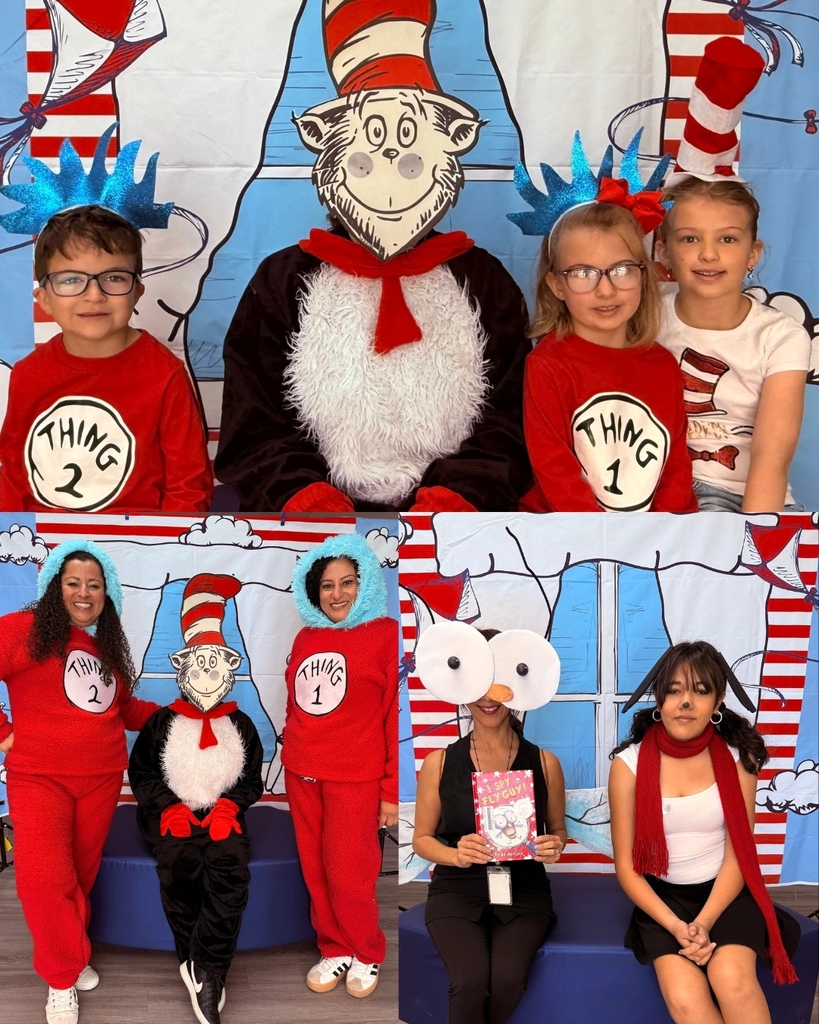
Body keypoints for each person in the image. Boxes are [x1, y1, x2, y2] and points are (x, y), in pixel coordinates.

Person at [0, 540, 161, 1024]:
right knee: (43, 880)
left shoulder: (106, 647)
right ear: (55, 586)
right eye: (73, 582)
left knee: (78, 877)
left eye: (94, 584)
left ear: (106, 594)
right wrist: (4, 732)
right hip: (39, 777)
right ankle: (61, 977)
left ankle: (73, 955)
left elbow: (128, 711)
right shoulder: (24, 630)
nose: (84, 592)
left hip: (101, 778)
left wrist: (187, 713)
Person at [608, 641, 800, 1024]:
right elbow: (628, 869)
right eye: (675, 690)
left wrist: (705, 922)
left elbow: (738, 854)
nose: (685, 702)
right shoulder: (627, 766)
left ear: (717, 702)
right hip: (663, 901)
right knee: (684, 1000)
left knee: (734, 982)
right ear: (659, 699)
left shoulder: (737, 758)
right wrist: (680, 927)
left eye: (700, 691)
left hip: (725, 892)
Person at [0, 204, 213, 513]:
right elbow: (14, 476)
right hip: (44, 544)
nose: (94, 295)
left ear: (137, 291)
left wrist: (169, 550)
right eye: (71, 279)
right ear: (44, 299)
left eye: (113, 277)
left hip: (139, 545)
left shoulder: (165, 375)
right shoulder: (28, 374)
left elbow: (188, 485)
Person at [412, 627, 567, 1024]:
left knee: (508, 979)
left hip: (525, 892)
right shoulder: (439, 763)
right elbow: (421, 840)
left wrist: (554, 845)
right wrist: (454, 854)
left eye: (499, 680)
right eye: (479, 679)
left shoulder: (546, 763)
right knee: (468, 980)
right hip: (456, 891)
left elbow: (559, 833)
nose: (489, 695)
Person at [128, 573, 264, 1024]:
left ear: (229, 668)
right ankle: (203, 968)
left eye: (215, 663)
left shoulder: (241, 724)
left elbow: (251, 778)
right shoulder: (161, 722)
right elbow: (142, 772)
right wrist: (168, 808)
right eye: (198, 663)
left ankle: (205, 966)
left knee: (229, 873)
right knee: (181, 868)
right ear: (182, 666)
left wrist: (231, 806)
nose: (207, 672)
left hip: (222, 815)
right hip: (172, 815)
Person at [521, 199, 697, 513]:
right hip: (567, 532)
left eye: (622, 270)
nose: (605, 290)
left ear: (644, 275)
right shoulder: (548, 365)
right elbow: (554, 470)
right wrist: (600, 538)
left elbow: (676, 468)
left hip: (650, 538)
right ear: (557, 285)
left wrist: (668, 531)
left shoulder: (662, 366)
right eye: (583, 273)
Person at [283, 532, 398, 997]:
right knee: (315, 867)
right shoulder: (305, 635)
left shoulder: (386, 635)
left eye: (347, 582)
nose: (337, 594)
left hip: (356, 775)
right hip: (302, 770)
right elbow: (297, 704)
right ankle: (334, 947)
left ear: (365, 583)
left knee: (351, 870)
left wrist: (390, 791)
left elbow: (395, 713)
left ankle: (366, 950)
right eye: (327, 585)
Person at [656, 177, 810, 512]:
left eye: (727, 239)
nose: (708, 254)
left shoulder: (780, 336)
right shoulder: (643, 317)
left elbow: (772, 460)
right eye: (689, 238)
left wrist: (755, 538)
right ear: (663, 250)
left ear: (752, 254)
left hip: (757, 495)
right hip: (669, 492)